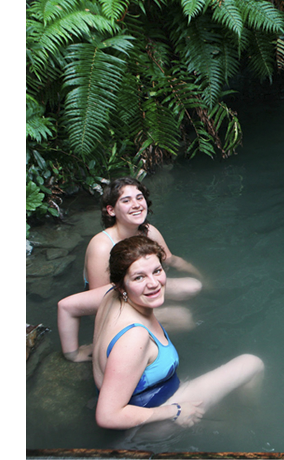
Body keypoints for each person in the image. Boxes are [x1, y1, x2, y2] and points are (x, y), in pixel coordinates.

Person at [92, 234, 263, 431]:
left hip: (149, 396)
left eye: (157, 271)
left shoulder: (108, 296)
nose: (154, 283)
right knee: (252, 364)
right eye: (139, 277)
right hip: (150, 422)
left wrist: (76, 352)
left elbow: (68, 305)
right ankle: (256, 423)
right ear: (121, 284)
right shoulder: (134, 338)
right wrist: (175, 411)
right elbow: (107, 416)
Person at [58, 177, 202, 362]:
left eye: (139, 198)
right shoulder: (102, 246)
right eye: (126, 201)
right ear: (111, 210)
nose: (136, 205)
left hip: (137, 286)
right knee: (184, 318)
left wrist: (206, 280)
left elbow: (172, 259)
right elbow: (100, 302)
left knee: (193, 286)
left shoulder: (148, 231)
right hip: (115, 300)